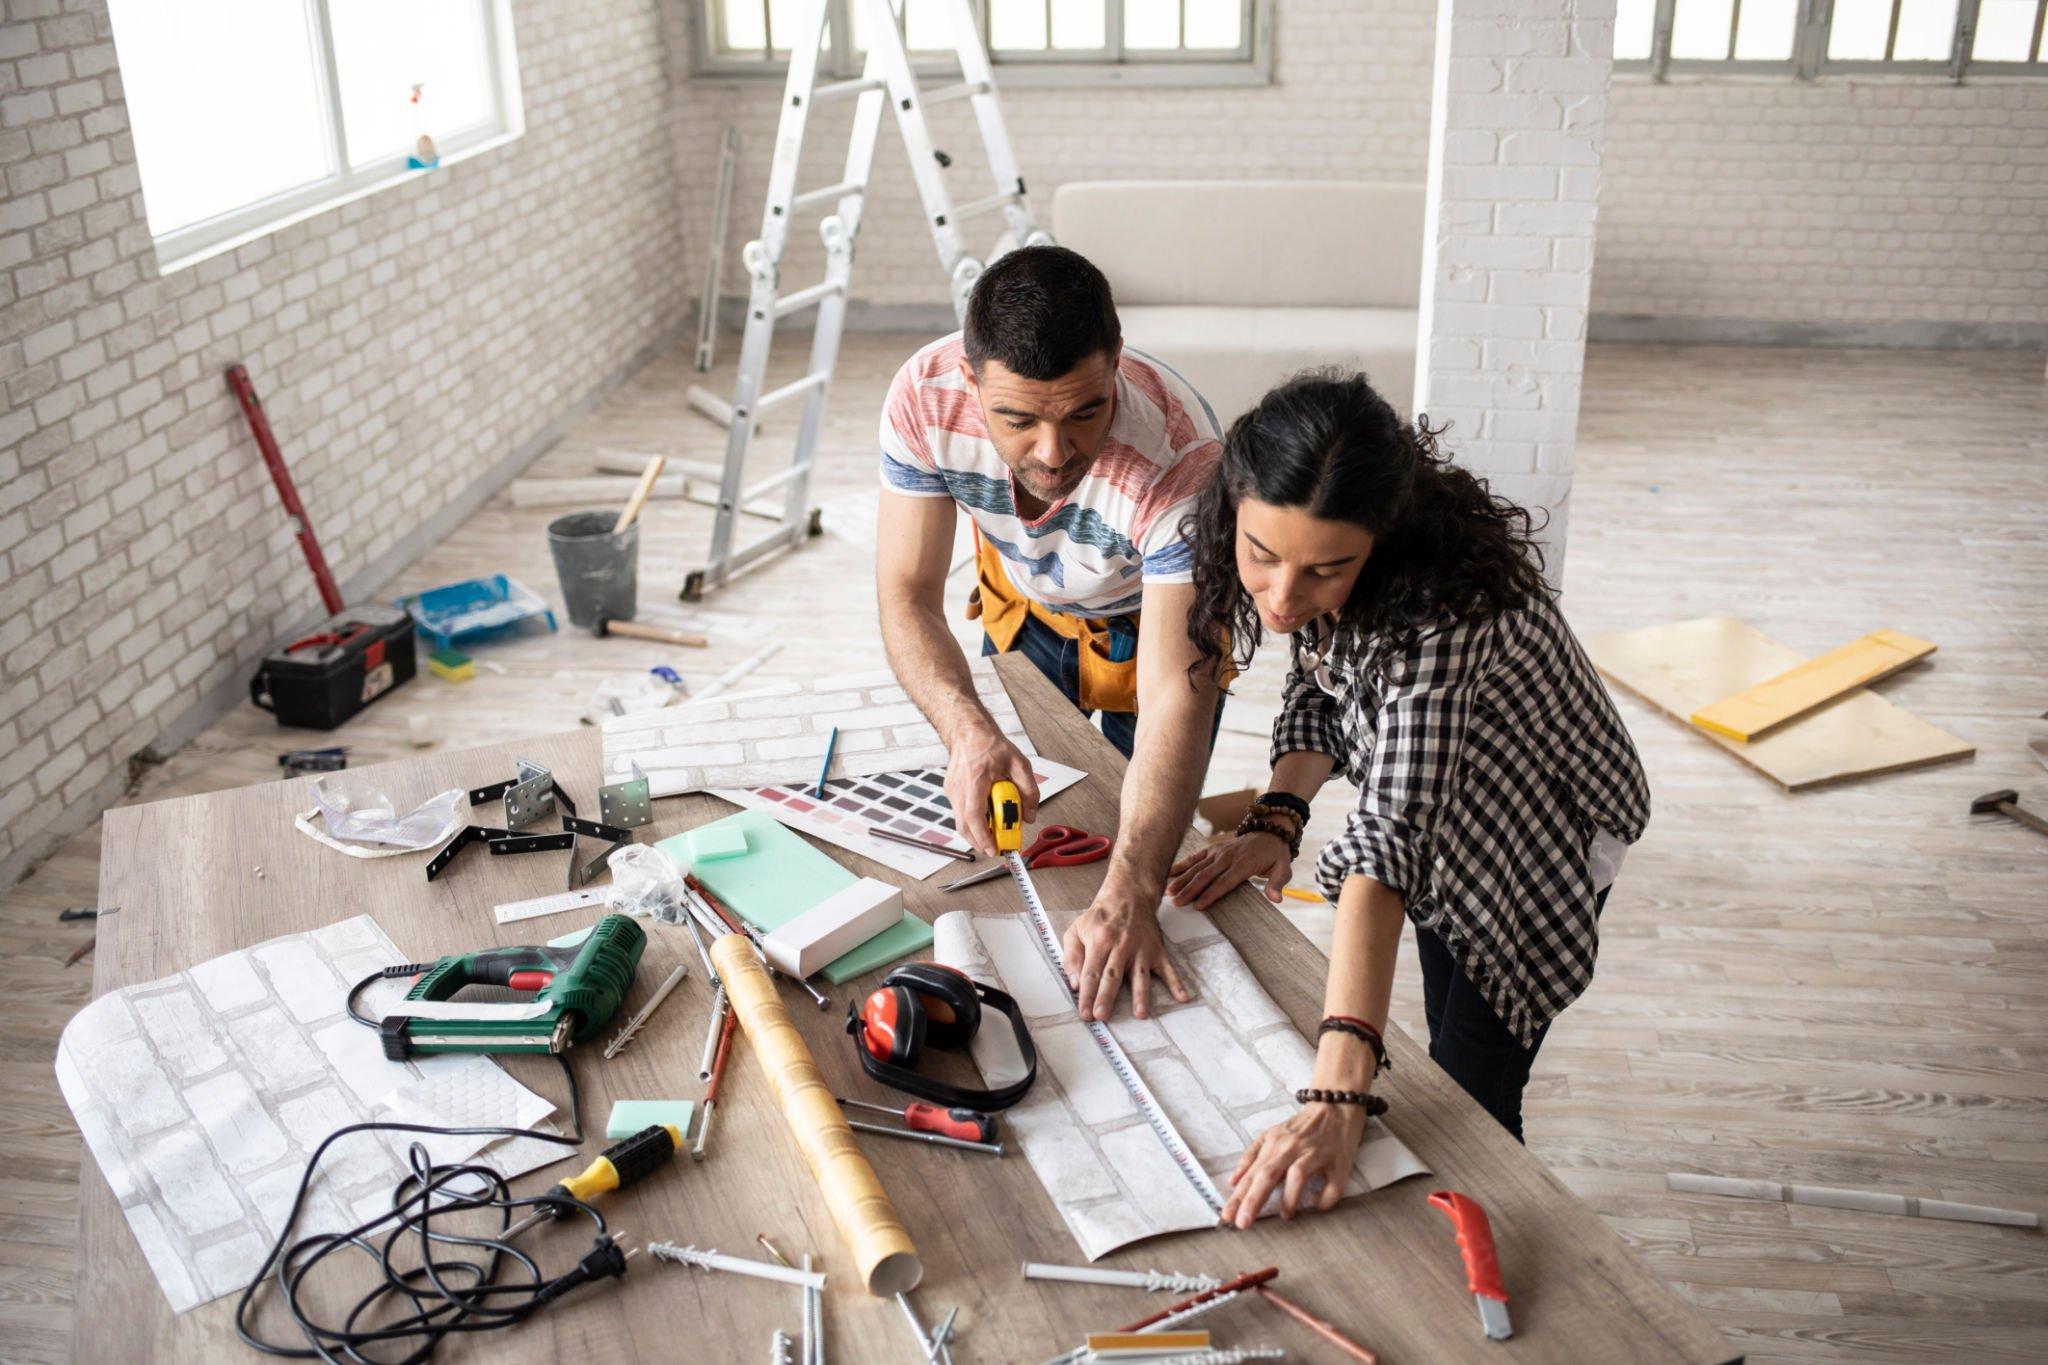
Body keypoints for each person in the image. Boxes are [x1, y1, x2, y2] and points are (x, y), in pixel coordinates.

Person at [1161, 370, 1649, 1227]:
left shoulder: (1443, 618)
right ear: (1235, 506)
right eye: (1261, 556)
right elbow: (1320, 688)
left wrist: (1336, 1089)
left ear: (1381, 543)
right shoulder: (1317, 574)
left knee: (1473, 1086)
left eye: (1324, 571)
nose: (1281, 599)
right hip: (1446, 811)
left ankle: (1495, 1235)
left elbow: (1388, 842)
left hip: (1543, 822)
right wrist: (1280, 814)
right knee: (1436, 988)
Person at [876, 246, 1224, 1022]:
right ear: (970, 383)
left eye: (1083, 413)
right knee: (1028, 830)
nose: (1053, 452)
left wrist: (1135, 890)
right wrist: (968, 732)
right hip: (1024, 600)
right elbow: (906, 592)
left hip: (1152, 624)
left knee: (1136, 854)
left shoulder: (1184, 458)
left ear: (1118, 368)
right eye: (1017, 418)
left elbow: (1176, 692)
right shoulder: (925, 397)